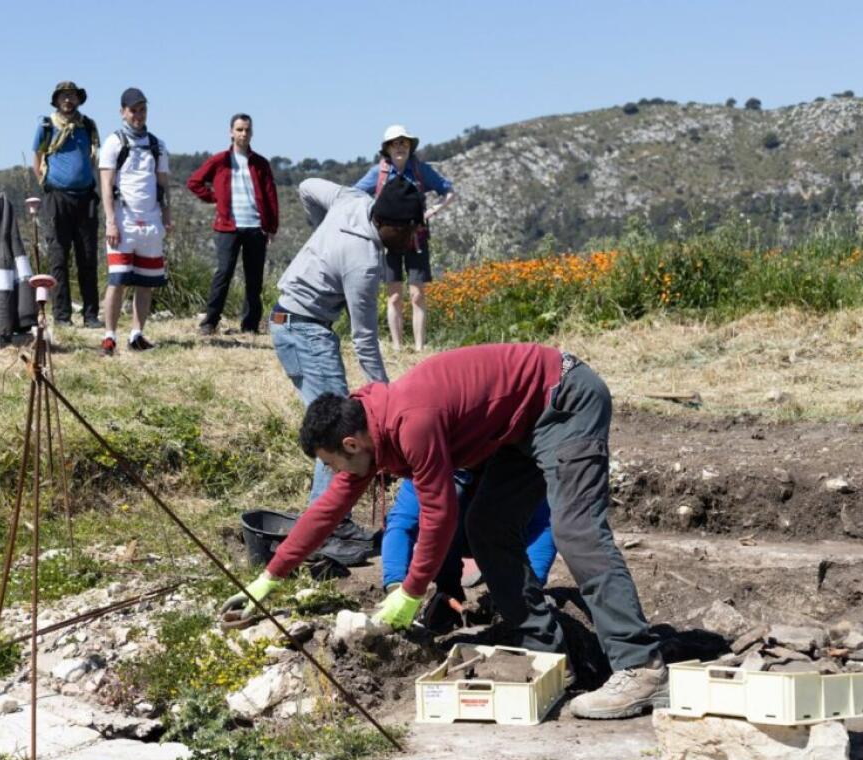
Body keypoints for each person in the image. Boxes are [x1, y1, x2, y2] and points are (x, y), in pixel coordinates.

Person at [224, 344, 667, 720]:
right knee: (489, 525)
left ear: (350, 445)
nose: (333, 473)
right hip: (521, 425)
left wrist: (411, 591)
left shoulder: (410, 421)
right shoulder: (370, 430)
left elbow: (438, 515)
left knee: (575, 529)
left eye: (330, 463)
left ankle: (639, 666)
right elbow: (325, 512)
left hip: (564, 399)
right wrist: (268, 579)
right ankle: (547, 653)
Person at [270, 177, 424, 505]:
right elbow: (364, 339)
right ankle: (330, 532)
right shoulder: (364, 263)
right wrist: (387, 400)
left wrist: (320, 228)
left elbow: (306, 185)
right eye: (408, 231)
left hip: (293, 322)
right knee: (339, 432)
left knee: (336, 427)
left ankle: (330, 527)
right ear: (384, 223)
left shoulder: (352, 200)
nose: (413, 240)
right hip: (303, 331)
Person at [382, 470, 555, 633]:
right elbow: (402, 523)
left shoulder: (515, 464)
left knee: (515, 596)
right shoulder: (429, 460)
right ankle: (448, 591)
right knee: (449, 498)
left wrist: (529, 587)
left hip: (504, 530)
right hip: (455, 528)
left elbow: (543, 525)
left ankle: (505, 592)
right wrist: (396, 586)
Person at [354, 125, 455, 352]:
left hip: (416, 239)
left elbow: (448, 190)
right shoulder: (377, 173)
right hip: (388, 242)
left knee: (417, 294)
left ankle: (419, 348)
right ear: (387, 148)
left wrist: (434, 211)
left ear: (410, 146)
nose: (400, 147)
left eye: (404, 143)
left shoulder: (421, 170)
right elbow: (355, 194)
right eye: (395, 143)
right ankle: (398, 347)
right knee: (394, 296)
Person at [187, 113, 280, 335]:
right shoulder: (219, 160)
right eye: (239, 129)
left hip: (255, 227)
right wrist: (214, 197)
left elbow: (270, 196)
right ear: (231, 132)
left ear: (252, 132)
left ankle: (250, 325)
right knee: (223, 274)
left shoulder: (260, 163)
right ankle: (210, 322)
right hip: (227, 226)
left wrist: (272, 226)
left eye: (247, 130)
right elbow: (194, 182)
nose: (243, 133)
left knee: (254, 279)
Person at [98, 87, 171, 356]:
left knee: (147, 281)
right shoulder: (113, 143)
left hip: (150, 220)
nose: (138, 115)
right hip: (123, 219)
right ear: (122, 112)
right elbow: (106, 185)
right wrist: (110, 222)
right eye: (133, 110)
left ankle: (137, 334)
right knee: (117, 280)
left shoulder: (157, 145)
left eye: (142, 109)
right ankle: (109, 336)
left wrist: (167, 216)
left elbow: (163, 184)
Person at [32, 80, 103, 328]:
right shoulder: (46, 126)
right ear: (56, 100)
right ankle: (62, 316)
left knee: (88, 257)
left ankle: (91, 315)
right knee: (58, 257)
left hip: (85, 198)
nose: (68, 100)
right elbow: (38, 157)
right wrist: (46, 184)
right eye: (63, 96)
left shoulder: (89, 126)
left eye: (72, 96)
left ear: (78, 99)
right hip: (57, 198)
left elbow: (94, 158)